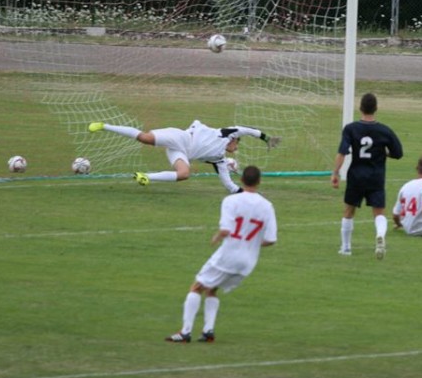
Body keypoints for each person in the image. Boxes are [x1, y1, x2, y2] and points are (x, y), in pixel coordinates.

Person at [165, 165, 277, 342]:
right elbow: (271, 239)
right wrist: (251, 244)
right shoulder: (267, 206)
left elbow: (226, 229)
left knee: (196, 287)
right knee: (211, 289)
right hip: (248, 262)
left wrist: (216, 237)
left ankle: (185, 332)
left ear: (241, 180)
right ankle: (208, 331)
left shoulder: (231, 201)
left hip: (228, 255)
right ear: (259, 181)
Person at [88, 120, 281, 193]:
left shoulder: (219, 160)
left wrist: (248, 193)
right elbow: (247, 130)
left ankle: (145, 176)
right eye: (237, 143)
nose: (236, 146)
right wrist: (266, 138)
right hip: (180, 136)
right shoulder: (226, 133)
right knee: (145, 138)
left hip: (180, 152)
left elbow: (229, 186)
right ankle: (104, 126)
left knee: (184, 174)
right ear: (234, 139)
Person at [331, 92, 403, 259]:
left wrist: (335, 173)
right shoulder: (384, 130)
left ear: (360, 108)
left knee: (349, 211)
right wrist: (385, 153)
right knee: (379, 213)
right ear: (376, 109)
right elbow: (398, 153)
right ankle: (380, 235)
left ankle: (346, 248)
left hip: (356, 175)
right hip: (376, 176)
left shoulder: (351, 129)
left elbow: (342, 152)